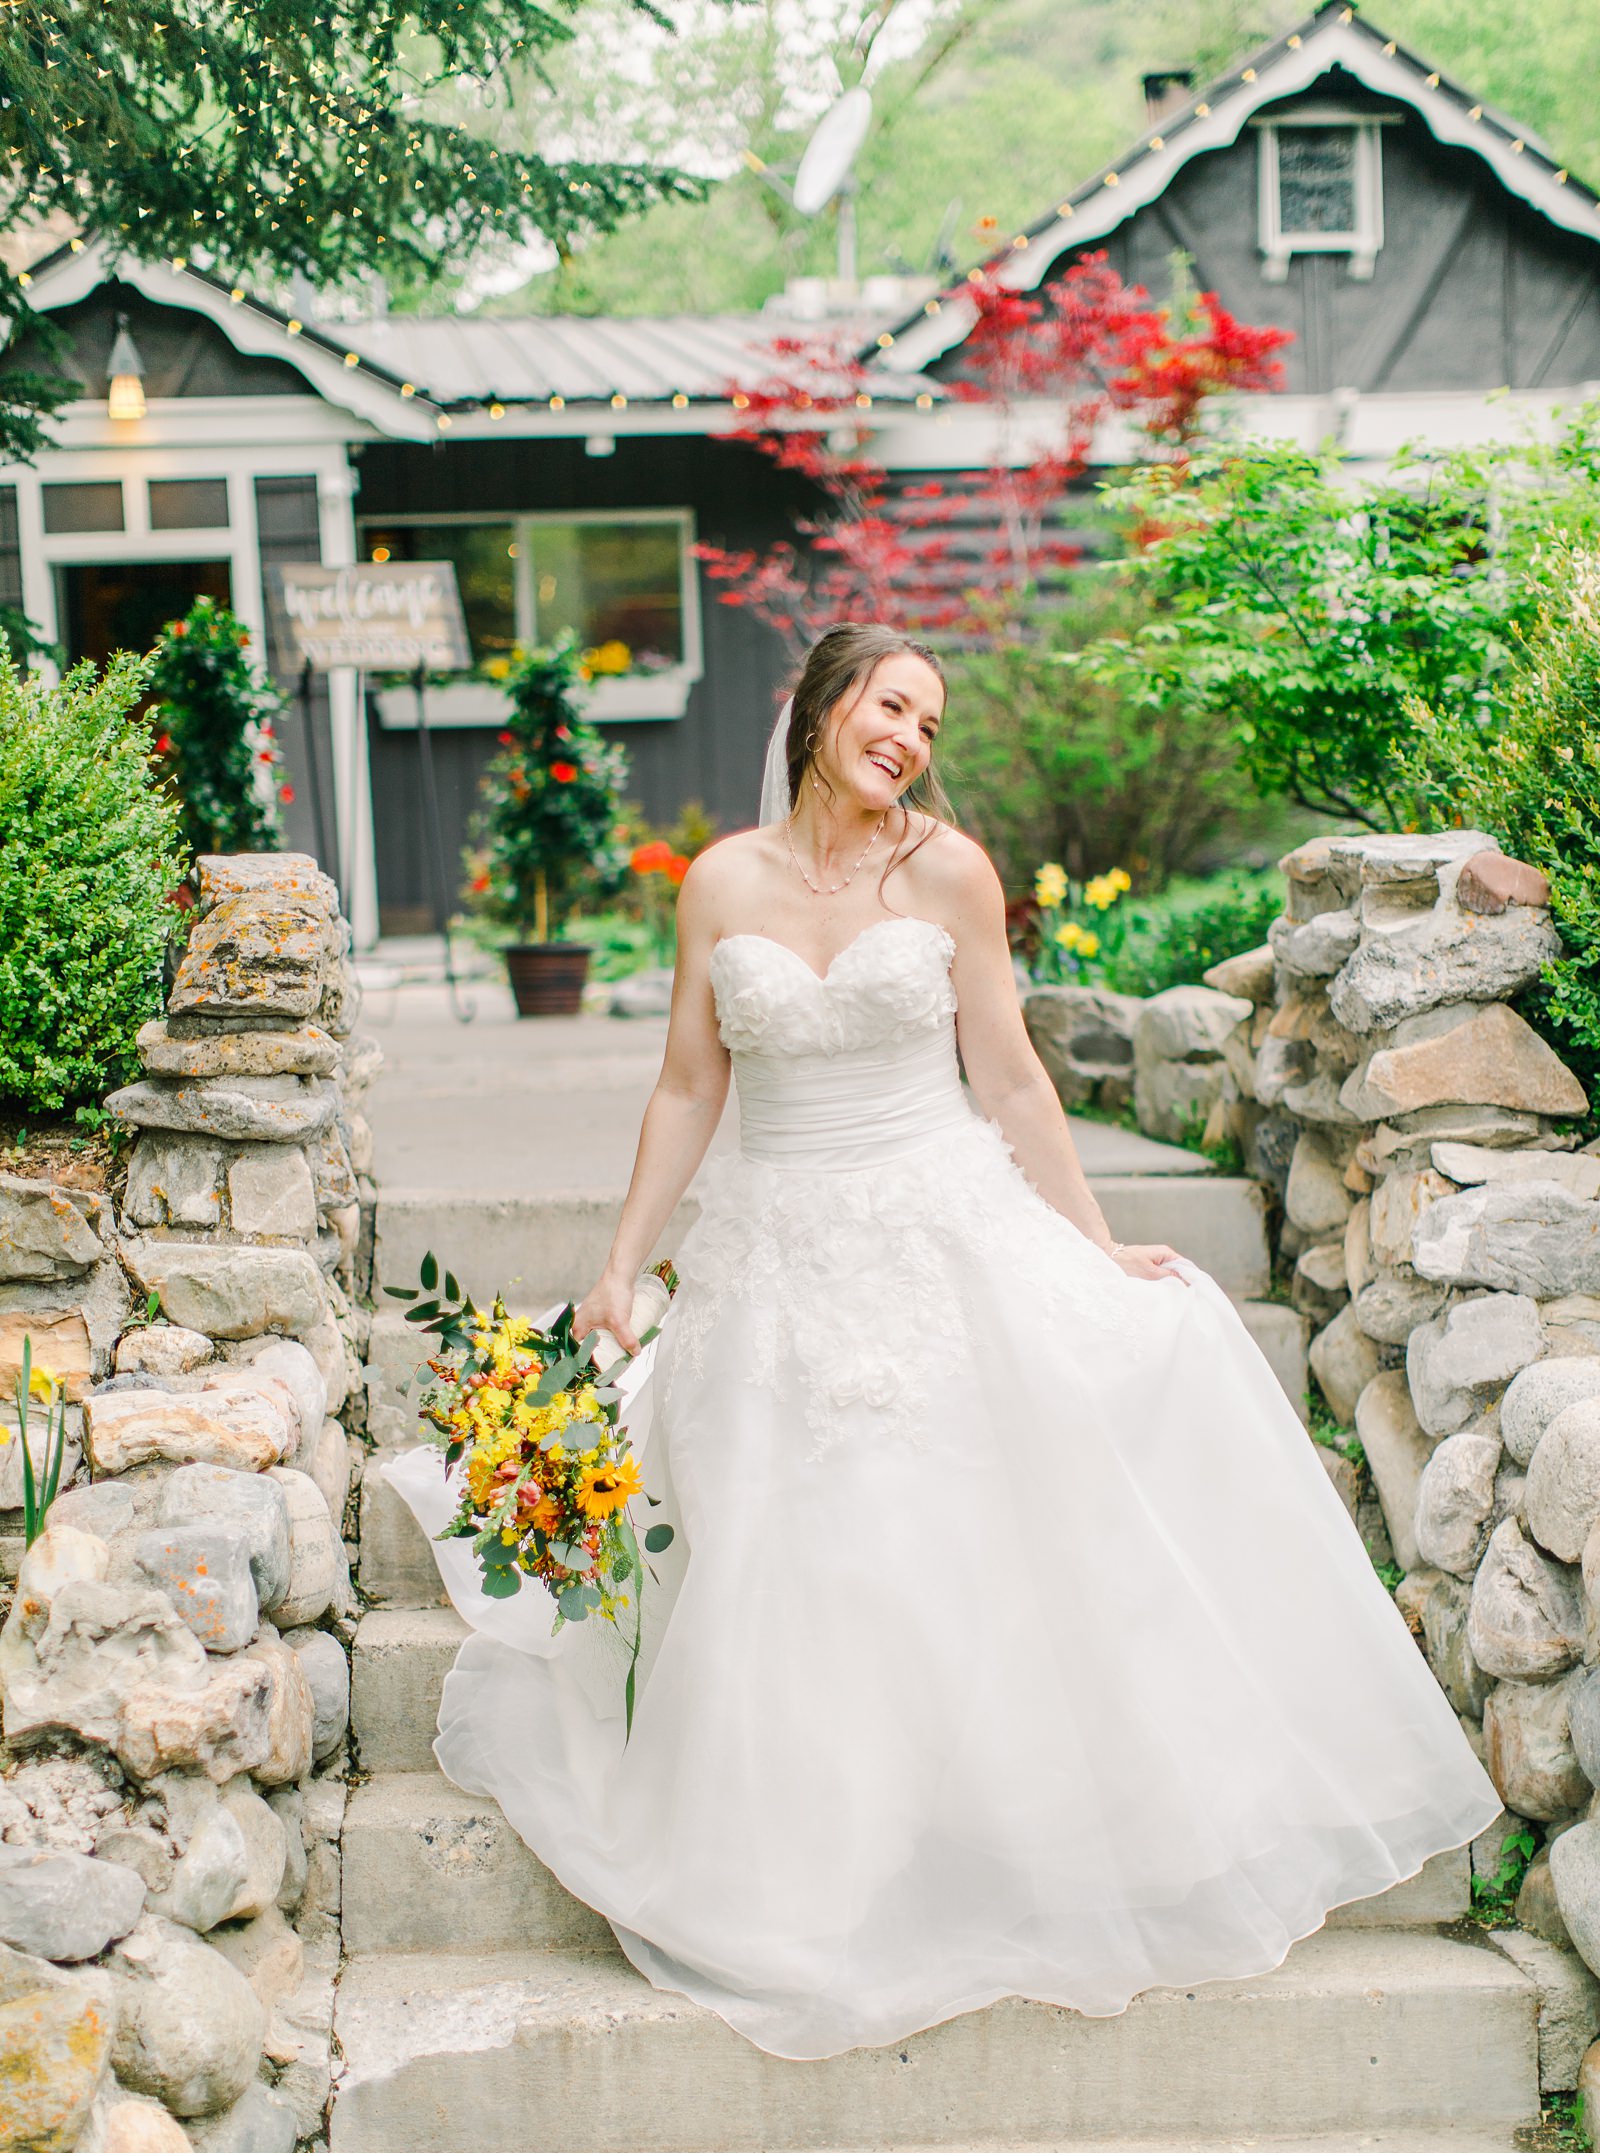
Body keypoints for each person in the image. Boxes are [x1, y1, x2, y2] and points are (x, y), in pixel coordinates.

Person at [401, 620, 1500, 2062]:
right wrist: (617, 1268)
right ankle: (816, 1852)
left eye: (928, 725)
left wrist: (1095, 1247)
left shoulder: (949, 871)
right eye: (892, 706)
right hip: (772, 1253)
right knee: (792, 1552)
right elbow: (686, 1086)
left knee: (945, 1519)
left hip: (936, 1230)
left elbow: (1015, 1076)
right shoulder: (720, 882)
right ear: (824, 704)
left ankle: (984, 1831)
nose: (910, 740)